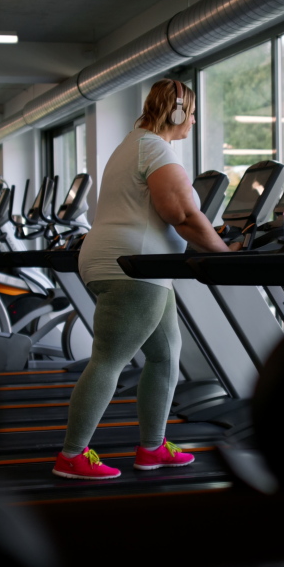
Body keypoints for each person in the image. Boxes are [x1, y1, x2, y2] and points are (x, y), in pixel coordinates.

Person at [53, 77, 240, 482]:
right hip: (132, 267)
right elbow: (183, 215)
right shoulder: (154, 148)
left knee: (165, 354)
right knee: (110, 358)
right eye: (190, 114)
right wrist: (226, 256)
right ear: (176, 113)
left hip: (140, 266)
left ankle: (152, 448)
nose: (192, 122)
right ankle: (71, 455)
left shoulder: (132, 144)